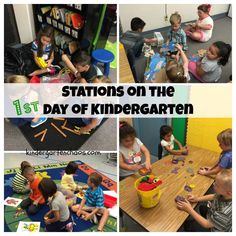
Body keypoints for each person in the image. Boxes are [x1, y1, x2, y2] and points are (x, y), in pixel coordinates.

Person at [120, 17, 157, 82]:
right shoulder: (139, 36)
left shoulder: (126, 32)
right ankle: (136, 81)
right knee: (132, 66)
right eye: (142, 29)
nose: (142, 30)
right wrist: (154, 40)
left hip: (121, 50)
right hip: (128, 54)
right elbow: (148, 40)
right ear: (139, 29)